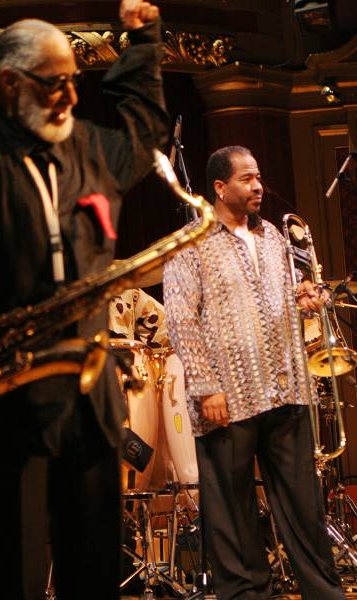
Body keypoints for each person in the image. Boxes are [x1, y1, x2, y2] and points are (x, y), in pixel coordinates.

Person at [0, 3, 168, 599]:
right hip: (4, 399)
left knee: (93, 569)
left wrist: (143, 41)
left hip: (90, 398)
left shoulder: (90, 148)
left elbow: (146, 129)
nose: (72, 95)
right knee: (11, 573)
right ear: (10, 85)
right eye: (57, 83)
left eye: (77, 79)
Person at [163, 145, 345, 600]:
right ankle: (246, 594)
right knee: (233, 509)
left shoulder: (274, 239)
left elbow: (289, 296)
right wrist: (205, 386)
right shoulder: (190, 244)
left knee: (304, 505)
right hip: (227, 395)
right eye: (247, 178)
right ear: (220, 188)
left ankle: (324, 591)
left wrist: (306, 295)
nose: (259, 185)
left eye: (259, 176)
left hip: (286, 388)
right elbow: (181, 318)